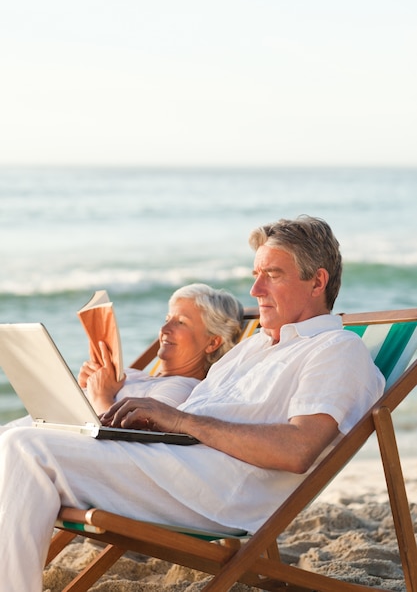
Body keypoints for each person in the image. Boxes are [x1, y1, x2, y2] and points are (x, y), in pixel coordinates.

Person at [0, 216, 385, 592]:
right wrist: (147, 423)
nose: (255, 290)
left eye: (273, 275)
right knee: (20, 432)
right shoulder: (255, 346)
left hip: (216, 489)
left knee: (27, 449)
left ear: (318, 281)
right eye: (256, 274)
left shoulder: (337, 350)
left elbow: (299, 449)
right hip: (173, 463)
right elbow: (196, 413)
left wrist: (180, 420)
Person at [1, 282, 245, 427]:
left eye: (180, 323)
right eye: (166, 319)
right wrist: (81, 389)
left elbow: (133, 445)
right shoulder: (131, 375)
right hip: (33, 430)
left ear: (213, 342)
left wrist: (100, 397)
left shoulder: (183, 389)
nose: (163, 330)